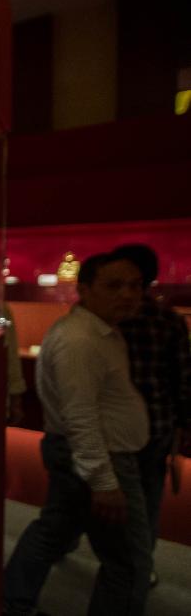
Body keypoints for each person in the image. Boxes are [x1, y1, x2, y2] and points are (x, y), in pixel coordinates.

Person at [3, 252, 151, 616]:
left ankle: (11, 601)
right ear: (85, 289)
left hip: (92, 451)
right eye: (114, 285)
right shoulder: (80, 340)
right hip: (100, 456)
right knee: (129, 561)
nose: (127, 294)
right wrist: (103, 479)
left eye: (134, 285)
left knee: (53, 531)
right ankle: (11, 602)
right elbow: (81, 416)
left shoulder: (97, 331)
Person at [112, 244, 191, 586]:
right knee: (146, 502)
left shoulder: (109, 316)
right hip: (156, 425)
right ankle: (140, 568)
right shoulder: (170, 321)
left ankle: (128, 567)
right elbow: (183, 379)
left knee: (114, 499)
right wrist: (181, 427)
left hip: (117, 428)